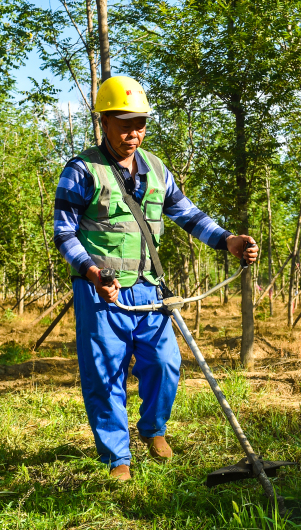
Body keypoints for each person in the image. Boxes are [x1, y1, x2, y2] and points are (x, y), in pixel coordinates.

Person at [53, 76, 258, 481]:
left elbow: (189, 215)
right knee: (105, 373)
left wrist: (228, 240)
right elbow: (64, 233)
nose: (135, 133)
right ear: (104, 122)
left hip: (150, 289)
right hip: (101, 292)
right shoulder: (81, 170)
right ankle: (117, 458)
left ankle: (153, 429)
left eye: (141, 124)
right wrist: (92, 271)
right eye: (126, 124)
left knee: (165, 363)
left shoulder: (157, 169)